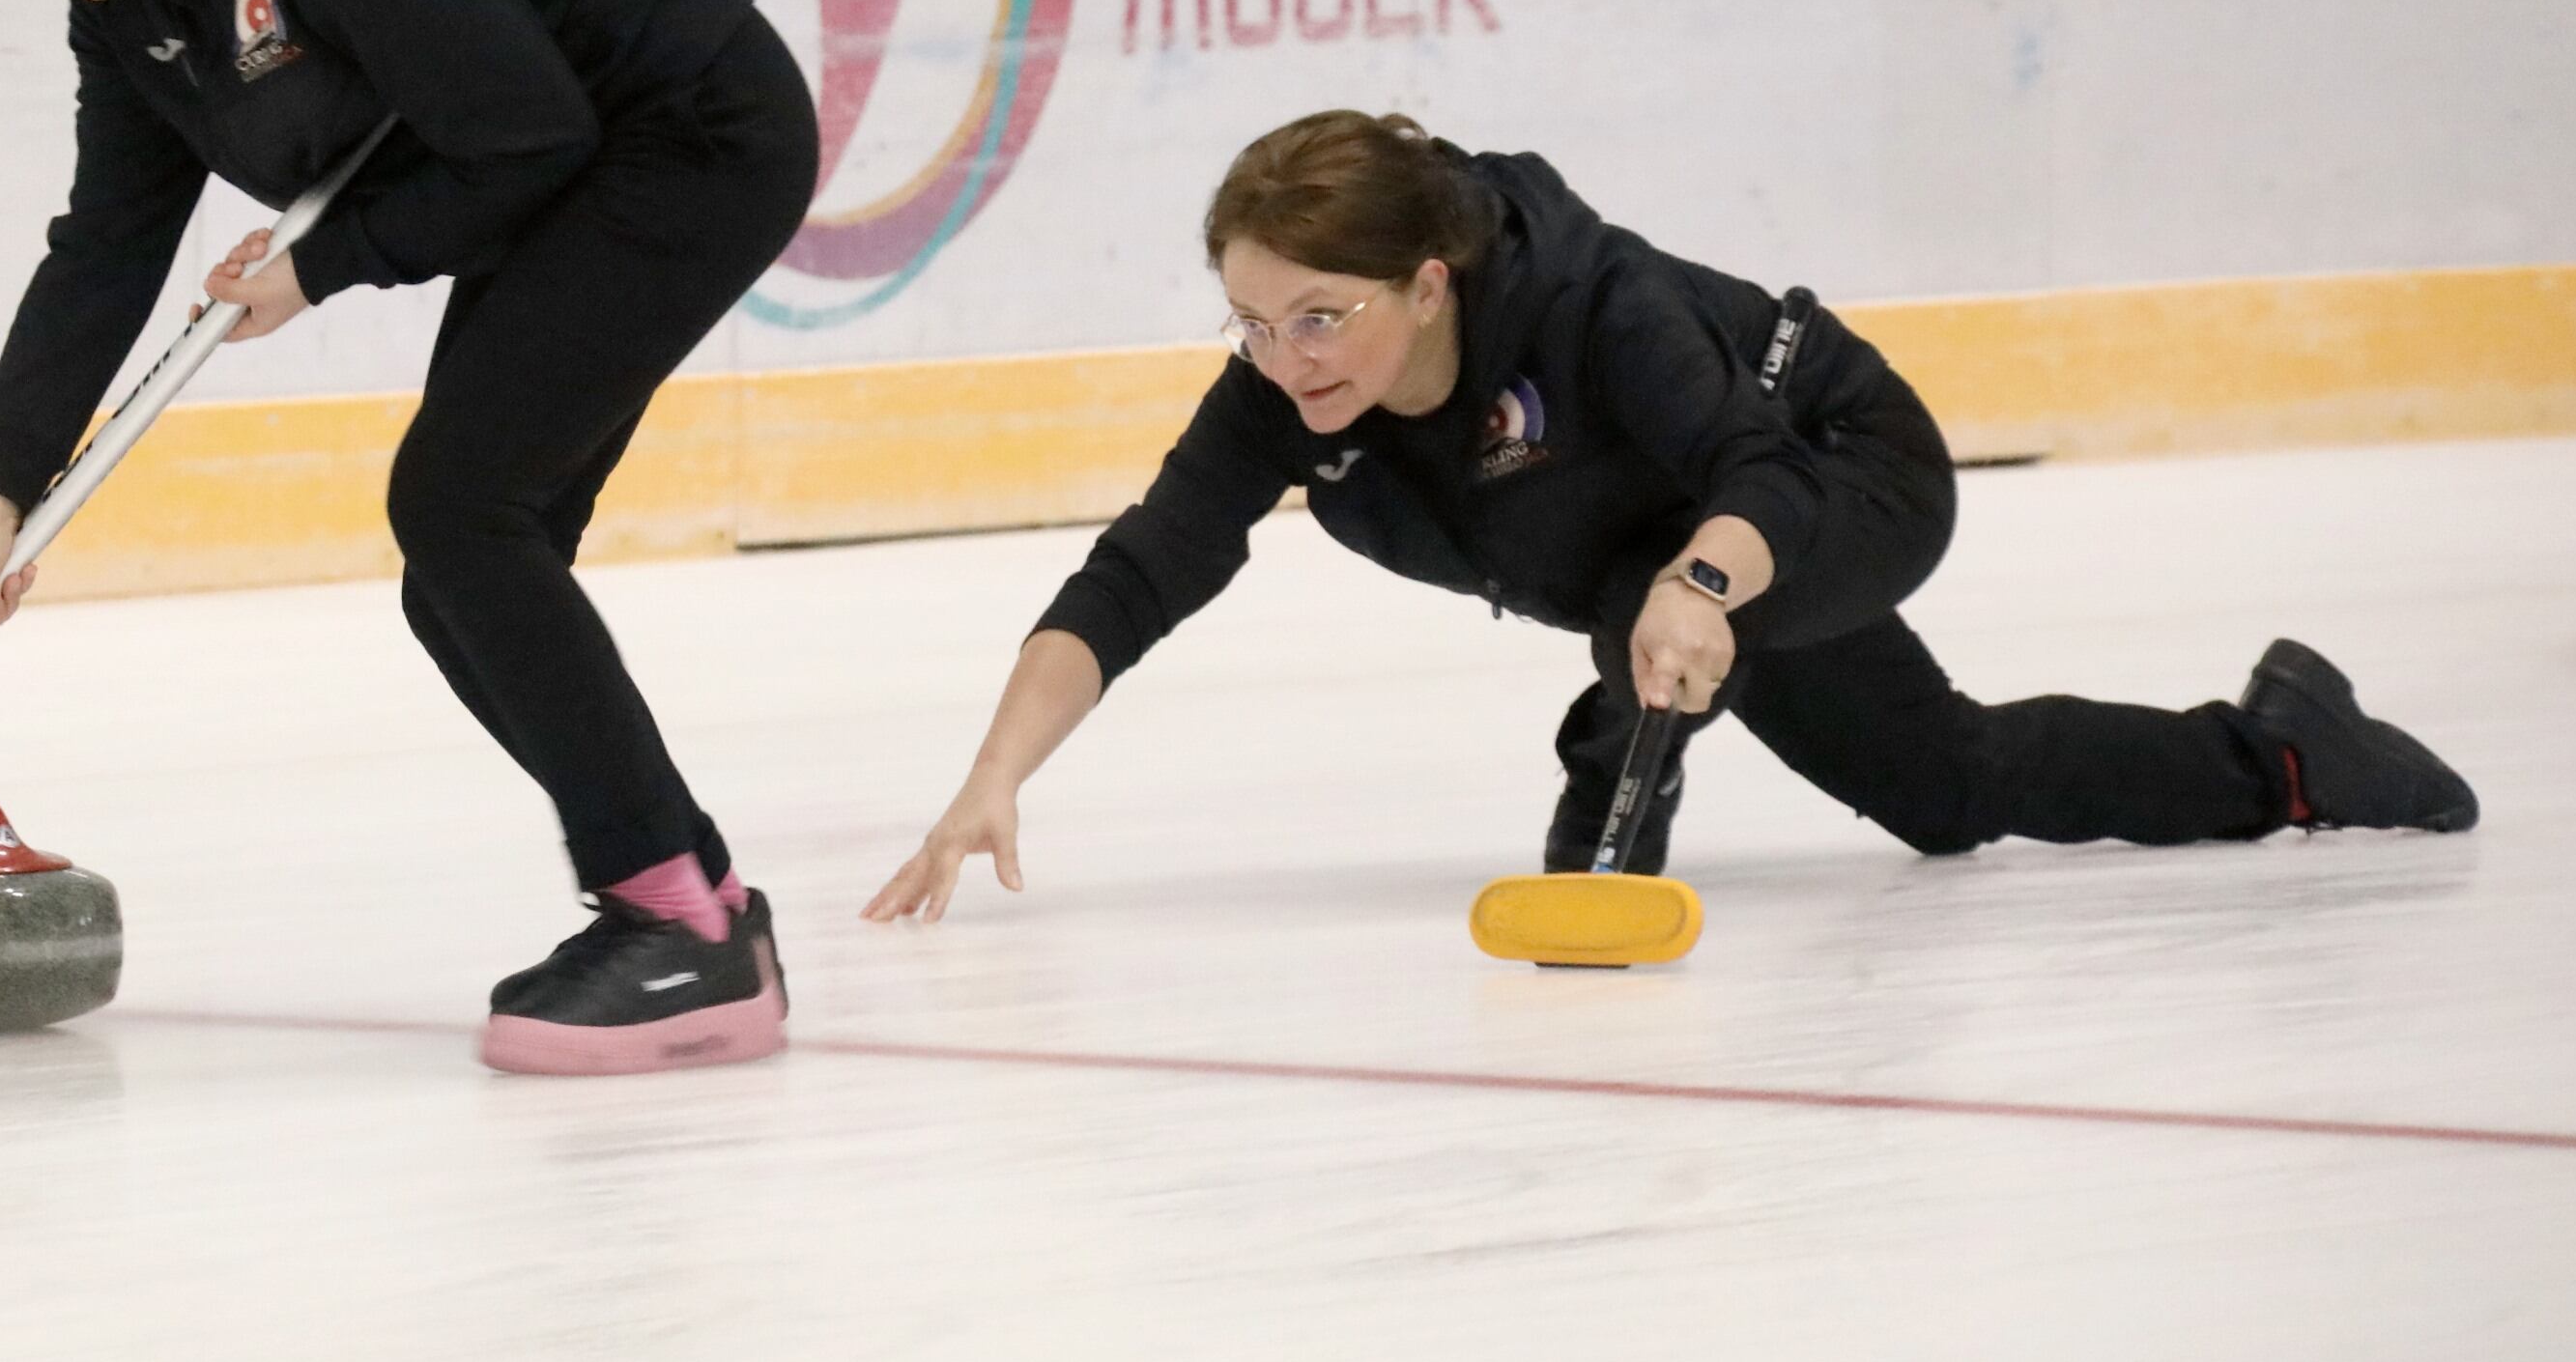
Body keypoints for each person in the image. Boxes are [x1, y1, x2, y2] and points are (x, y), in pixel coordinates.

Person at [0, 0, 817, 1074]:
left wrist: (321, 263)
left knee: (463, 514)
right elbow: (107, 245)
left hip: (685, 138)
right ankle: (686, 895)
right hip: (544, 156)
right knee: (460, 577)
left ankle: (686, 932)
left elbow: (532, 135)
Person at [868, 110, 2476, 922]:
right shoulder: (1287, 398)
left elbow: (1758, 469)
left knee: (1654, 586)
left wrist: (1705, 587)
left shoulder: (1599, 300)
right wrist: (990, 778)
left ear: (1429, 285)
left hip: (1842, 466)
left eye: (1319, 319)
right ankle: (2279, 753)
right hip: (1672, 584)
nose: (1284, 360)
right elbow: (1143, 567)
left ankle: (1607, 804)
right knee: (1947, 786)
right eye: (1250, 320)